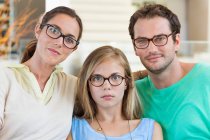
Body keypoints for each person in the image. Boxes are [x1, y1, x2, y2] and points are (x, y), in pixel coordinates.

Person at [128, 3, 210, 140]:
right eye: (142, 41)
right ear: (135, 47)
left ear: (176, 41)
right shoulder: (131, 93)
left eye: (160, 39)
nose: (152, 49)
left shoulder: (206, 79)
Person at [0, 6, 83, 139]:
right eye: (54, 30)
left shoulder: (74, 86)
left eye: (69, 40)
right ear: (38, 30)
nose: (59, 42)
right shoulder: (5, 78)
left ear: (73, 49)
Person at [68, 45, 163, 140]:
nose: (106, 86)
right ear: (88, 85)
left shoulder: (151, 129)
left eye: (115, 77)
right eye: (97, 78)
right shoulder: (74, 128)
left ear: (126, 83)